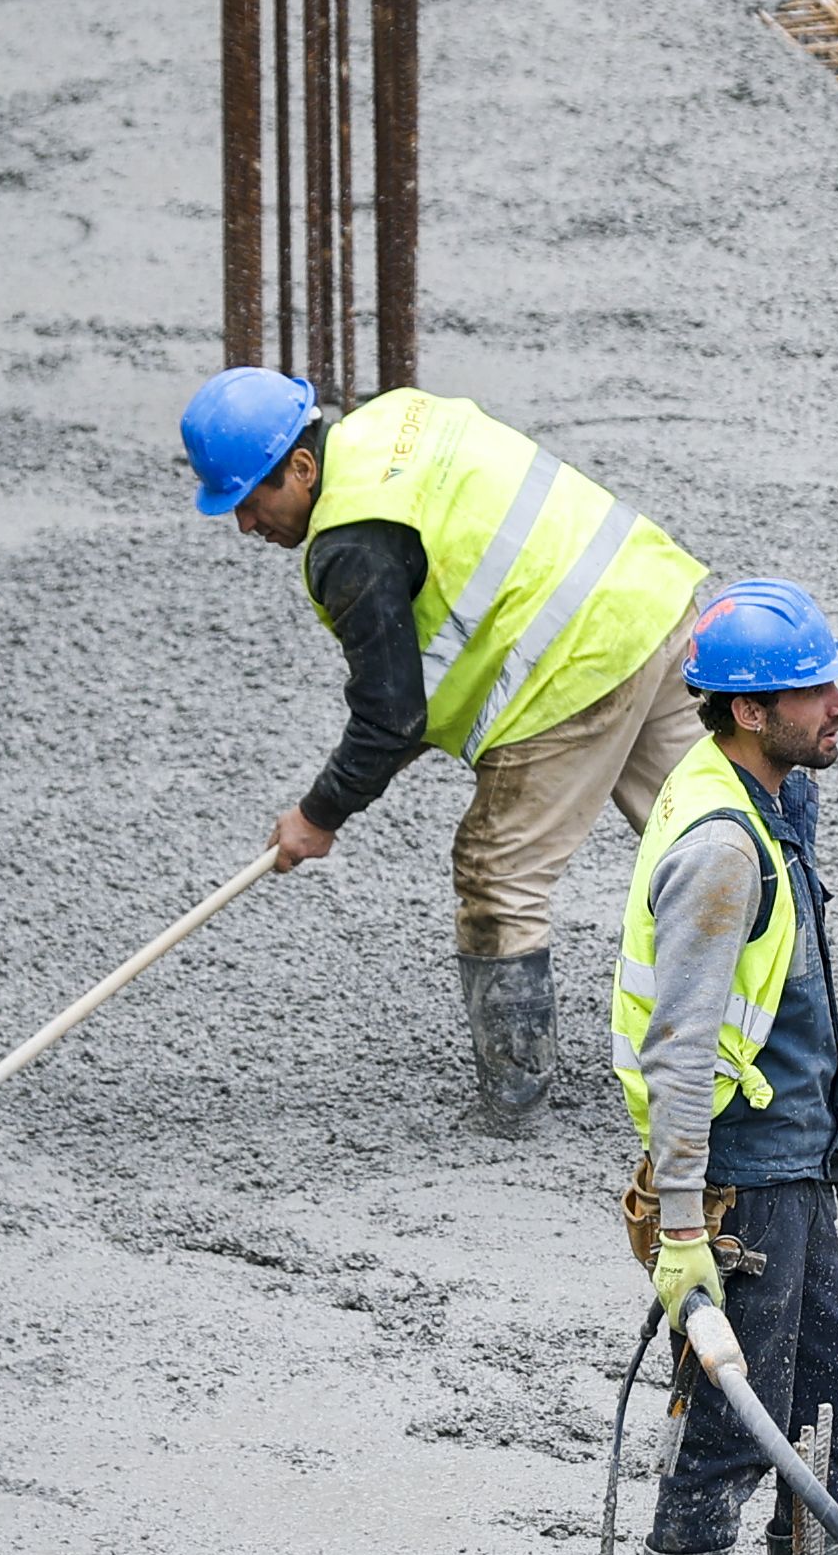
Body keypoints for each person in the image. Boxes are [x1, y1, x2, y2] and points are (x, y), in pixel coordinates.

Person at [177, 368, 710, 1124]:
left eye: (252, 502)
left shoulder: (349, 547)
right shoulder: (395, 421)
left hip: (575, 662)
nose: (247, 527)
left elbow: (390, 715)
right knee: (721, 831)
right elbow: (420, 683)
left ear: (301, 469)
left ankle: (515, 1101)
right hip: (650, 596)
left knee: (498, 874)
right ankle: (785, 1026)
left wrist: (318, 815)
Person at [612, 578, 838, 1555]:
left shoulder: (771, 795)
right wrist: (684, 1228)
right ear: (742, 711)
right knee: (738, 1431)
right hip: (737, 1176)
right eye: (808, 690)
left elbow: (789, 986)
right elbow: (682, 1052)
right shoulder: (723, 843)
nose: (836, 705)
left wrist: (835, 1120)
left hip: (788, 1155)